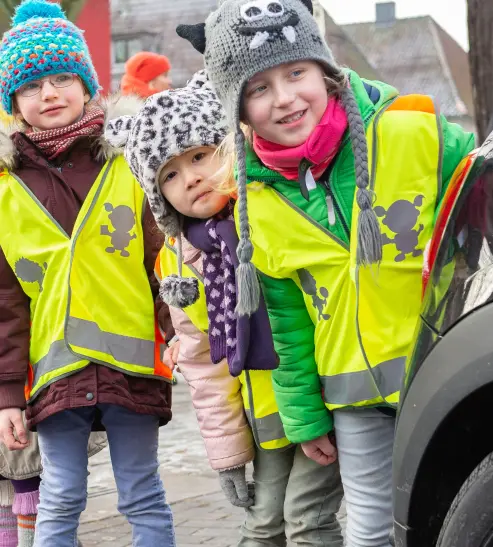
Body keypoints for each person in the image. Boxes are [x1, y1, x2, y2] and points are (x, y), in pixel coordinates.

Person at [183, 1, 476, 544]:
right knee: (369, 533)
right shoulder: (256, 206)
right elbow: (287, 326)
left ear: (325, 72)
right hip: (354, 398)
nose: (286, 98)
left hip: (446, 374)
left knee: (459, 515)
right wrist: (305, 418)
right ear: (238, 111)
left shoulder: (416, 135)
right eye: (259, 87)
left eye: (296, 73)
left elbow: (490, 224)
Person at [106, 68, 345, 546]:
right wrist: (229, 454)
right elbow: (202, 363)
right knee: (261, 526)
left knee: (305, 521)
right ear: (158, 195)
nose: (191, 178)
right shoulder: (177, 263)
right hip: (266, 422)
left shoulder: (272, 211)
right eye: (170, 174)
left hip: (323, 396)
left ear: (227, 149)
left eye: (199, 156)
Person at [0, 2, 176, 546]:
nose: (48, 94)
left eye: (61, 78)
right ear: (13, 103)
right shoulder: (6, 189)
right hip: (54, 372)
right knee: (62, 494)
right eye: (30, 87)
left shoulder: (129, 160)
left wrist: (178, 334)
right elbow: (6, 302)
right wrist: (7, 394)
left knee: (141, 490)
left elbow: (162, 258)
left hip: (132, 366)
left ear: (86, 84)